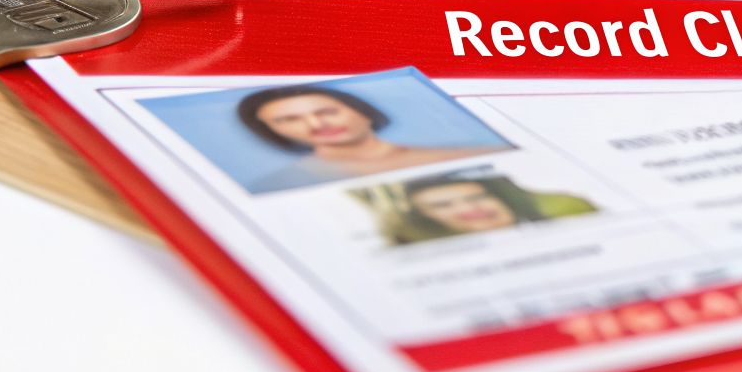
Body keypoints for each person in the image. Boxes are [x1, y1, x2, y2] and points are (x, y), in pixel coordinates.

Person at [237, 84, 508, 189]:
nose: (316, 123)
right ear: (272, 130)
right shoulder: (279, 185)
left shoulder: (478, 152)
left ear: (363, 112)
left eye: (328, 111)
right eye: (289, 119)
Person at [357, 174, 600, 245]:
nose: (469, 208)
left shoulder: (576, 219)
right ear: (426, 218)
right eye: (442, 205)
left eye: (478, 197)